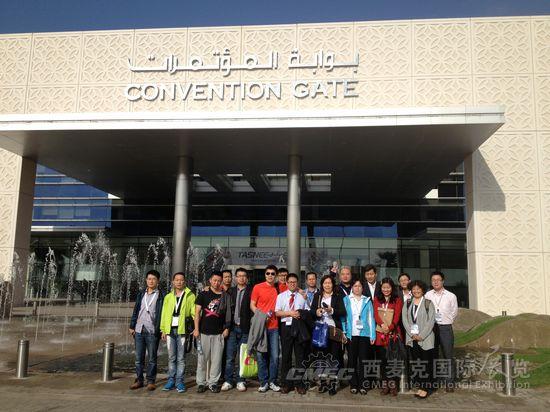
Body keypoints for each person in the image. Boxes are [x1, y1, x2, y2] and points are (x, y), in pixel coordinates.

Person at [194, 272, 231, 393]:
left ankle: (213, 382)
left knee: (216, 360)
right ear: (210, 280)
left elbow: (228, 314)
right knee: (202, 359)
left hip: (219, 333)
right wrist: (196, 329)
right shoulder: (203, 294)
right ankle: (201, 383)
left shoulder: (225, 296)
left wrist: (227, 328)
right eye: (214, 280)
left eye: (219, 281)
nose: (216, 283)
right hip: (203, 332)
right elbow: (197, 313)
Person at [310, 274, 346, 396]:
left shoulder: (338, 296)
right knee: (321, 358)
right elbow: (311, 311)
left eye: (329, 283)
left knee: (334, 358)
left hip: (333, 330)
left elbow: (343, 312)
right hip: (320, 330)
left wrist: (332, 310)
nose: (327, 285)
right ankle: (323, 383)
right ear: (322, 285)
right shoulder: (317, 296)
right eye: (325, 283)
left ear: (333, 284)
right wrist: (317, 312)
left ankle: (333, 384)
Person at [159, 272, 196, 393]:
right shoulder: (168, 297)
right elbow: (164, 314)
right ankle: (171, 380)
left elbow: (194, 312)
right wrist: (163, 329)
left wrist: (196, 327)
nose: (179, 282)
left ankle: (179, 381)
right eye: (177, 280)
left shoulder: (190, 295)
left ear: (184, 282)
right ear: (173, 282)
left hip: (182, 330)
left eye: (181, 280)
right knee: (171, 357)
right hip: (170, 330)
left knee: (181, 358)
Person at [129, 270, 165, 391]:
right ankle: (139, 380)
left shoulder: (162, 295)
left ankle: (151, 381)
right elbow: (136, 310)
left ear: (158, 281)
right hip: (139, 329)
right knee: (138, 358)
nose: (151, 281)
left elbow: (163, 313)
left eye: (153, 279)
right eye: (149, 279)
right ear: (146, 280)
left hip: (152, 330)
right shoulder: (141, 294)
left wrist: (162, 329)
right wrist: (132, 325)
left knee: (152, 358)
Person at [275, 273, 309, 394]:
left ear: (297, 283)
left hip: (299, 327)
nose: (292, 284)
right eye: (290, 282)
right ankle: (286, 384)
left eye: (294, 282)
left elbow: (307, 311)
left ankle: (299, 384)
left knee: (300, 357)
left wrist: (300, 313)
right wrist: (290, 313)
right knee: (286, 356)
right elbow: (277, 312)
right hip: (286, 328)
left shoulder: (302, 296)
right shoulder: (281, 296)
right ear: (287, 283)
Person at [425, 270, 458, 392]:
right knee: (432, 355)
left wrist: (446, 321)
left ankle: (449, 382)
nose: (436, 282)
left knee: (448, 355)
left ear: (443, 281)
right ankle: (433, 381)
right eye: (433, 280)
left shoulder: (451, 296)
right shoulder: (427, 295)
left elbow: (454, 312)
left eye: (438, 280)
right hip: (432, 328)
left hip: (445, 328)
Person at [402, 280, 436, 399]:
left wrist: (421, 335)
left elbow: (431, 321)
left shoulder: (428, 303)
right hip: (412, 339)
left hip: (425, 339)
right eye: (414, 289)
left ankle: (425, 388)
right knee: (417, 363)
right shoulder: (407, 302)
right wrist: (412, 334)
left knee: (426, 363)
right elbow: (404, 319)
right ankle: (420, 386)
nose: (416, 291)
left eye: (418, 289)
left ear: (423, 290)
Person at [342, 278, 376, 395]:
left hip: (364, 334)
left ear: (363, 288)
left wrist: (372, 335)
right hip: (351, 335)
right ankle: (353, 384)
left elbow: (371, 318)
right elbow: (343, 318)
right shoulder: (346, 299)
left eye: (359, 286)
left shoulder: (367, 300)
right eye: (355, 286)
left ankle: (363, 384)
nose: (357, 288)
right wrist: (344, 332)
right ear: (352, 287)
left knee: (363, 360)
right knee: (351, 360)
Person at [222, 267, 253, 392]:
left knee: (242, 356)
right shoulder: (230, 291)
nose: (241, 278)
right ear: (235, 278)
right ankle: (228, 380)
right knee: (230, 356)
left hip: (245, 328)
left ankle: (241, 380)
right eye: (239, 276)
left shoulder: (251, 291)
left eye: (244, 276)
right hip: (232, 328)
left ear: (247, 278)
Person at [250, 265, 281, 392]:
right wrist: (261, 317)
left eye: (273, 273)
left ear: (276, 276)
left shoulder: (278, 288)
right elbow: (252, 305)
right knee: (260, 355)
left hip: (274, 327)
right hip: (261, 327)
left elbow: (293, 287)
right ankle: (263, 382)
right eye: (268, 273)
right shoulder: (257, 287)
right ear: (265, 274)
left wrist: (302, 292)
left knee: (275, 356)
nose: (270, 275)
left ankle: (272, 381)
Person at [373, 277, 403, 396]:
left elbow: (397, 316)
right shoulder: (377, 299)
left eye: (388, 287)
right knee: (383, 361)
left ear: (392, 288)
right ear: (381, 288)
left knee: (393, 361)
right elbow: (376, 314)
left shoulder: (397, 300)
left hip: (392, 333)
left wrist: (390, 327)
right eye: (384, 287)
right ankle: (385, 384)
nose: (386, 289)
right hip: (380, 333)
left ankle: (393, 385)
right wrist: (382, 325)